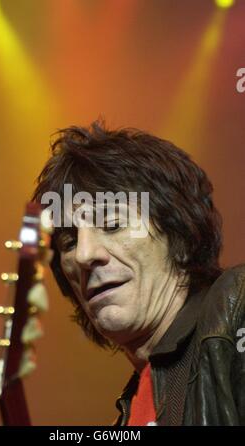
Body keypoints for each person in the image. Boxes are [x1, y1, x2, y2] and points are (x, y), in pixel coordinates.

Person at [32, 121, 245, 426]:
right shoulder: (134, 408)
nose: (84, 254)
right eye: (69, 242)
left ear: (180, 238)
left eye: (112, 224)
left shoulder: (237, 307)